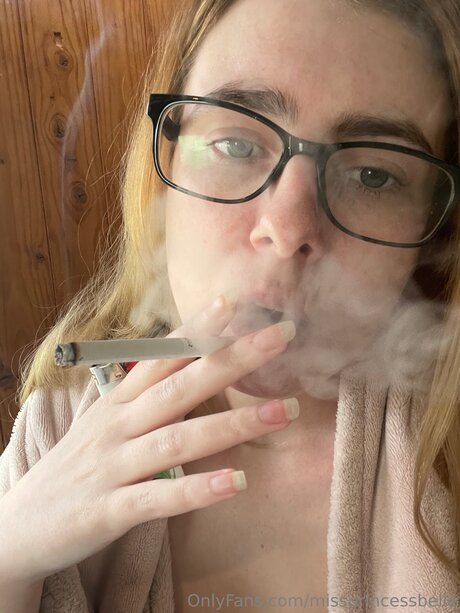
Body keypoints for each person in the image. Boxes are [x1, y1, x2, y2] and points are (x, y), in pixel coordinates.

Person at [1, 0, 460, 611]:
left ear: (433, 228)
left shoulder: (446, 453)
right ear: (162, 171)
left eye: (373, 176)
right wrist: (12, 556)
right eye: (237, 144)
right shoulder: (58, 436)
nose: (287, 229)